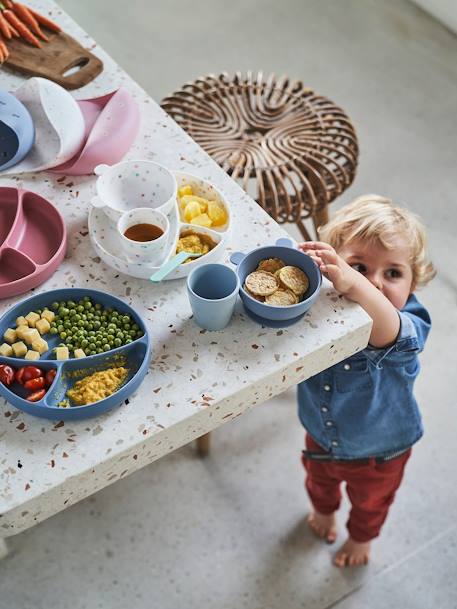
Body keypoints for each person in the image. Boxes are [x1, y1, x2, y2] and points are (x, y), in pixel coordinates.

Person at [297, 194, 436, 567]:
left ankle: (361, 538)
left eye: (393, 273)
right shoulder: (325, 306)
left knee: (372, 503)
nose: (374, 282)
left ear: (413, 283)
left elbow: (384, 330)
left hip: (380, 451)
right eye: (359, 266)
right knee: (318, 482)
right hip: (321, 434)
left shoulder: (410, 320)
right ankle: (324, 513)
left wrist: (354, 282)